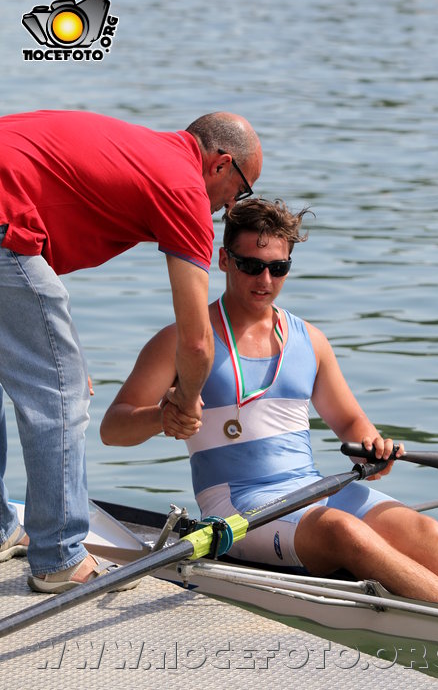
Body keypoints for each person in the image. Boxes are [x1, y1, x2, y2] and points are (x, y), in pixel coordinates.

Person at [101, 198, 438, 609]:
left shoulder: (309, 340)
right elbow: (113, 429)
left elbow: (351, 421)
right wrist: (162, 418)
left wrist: (376, 446)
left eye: (278, 268)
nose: (265, 279)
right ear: (224, 260)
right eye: (252, 265)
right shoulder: (182, 341)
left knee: (425, 531)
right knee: (344, 532)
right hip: (240, 508)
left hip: (313, 489)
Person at [0, 109, 262, 592]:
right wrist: (184, 402)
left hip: (7, 214)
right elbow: (197, 339)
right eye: (241, 190)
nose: (231, 207)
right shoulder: (184, 188)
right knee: (59, 397)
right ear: (221, 164)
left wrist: (63, 356)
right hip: (3, 221)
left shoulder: (142, 149)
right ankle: (59, 558)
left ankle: (0, 527)